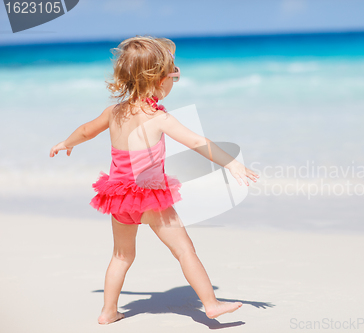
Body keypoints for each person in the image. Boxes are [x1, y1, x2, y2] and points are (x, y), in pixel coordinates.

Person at [49, 36, 259, 325]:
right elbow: (199, 142)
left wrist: (65, 142)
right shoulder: (159, 118)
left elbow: (86, 131)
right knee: (184, 250)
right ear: (159, 80)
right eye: (174, 75)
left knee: (121, 256)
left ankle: (108, 312)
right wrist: (232, 162)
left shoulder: (115, 112)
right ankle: (210, 304)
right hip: (151, 197)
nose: (175, 81)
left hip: (118, 196)